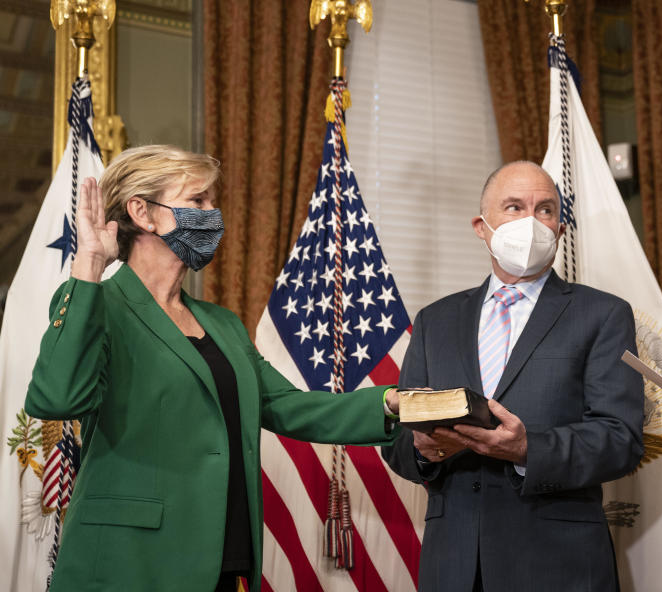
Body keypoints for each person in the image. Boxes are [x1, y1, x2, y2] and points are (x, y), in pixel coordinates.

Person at [24, 145, 401, 592]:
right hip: (128, 564)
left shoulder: (222, 324)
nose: (212, 213)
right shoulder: (98, 304)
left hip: (221, 558)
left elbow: (287, 406)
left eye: (211, 201)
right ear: (142, 212)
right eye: (197, 201)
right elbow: (57, 398)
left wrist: (394, 403)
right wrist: (88, 264)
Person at [382, 161, 644, 592]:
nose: (531, 221)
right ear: (481, 227)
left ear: (560, 229)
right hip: (454, 567)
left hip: (560, 566)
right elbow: (397, 443)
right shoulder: (435, 321)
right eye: (513, 207)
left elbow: (621, 439)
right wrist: (425, 451)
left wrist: (527, 449)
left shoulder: (603, 315)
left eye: (545, 210)